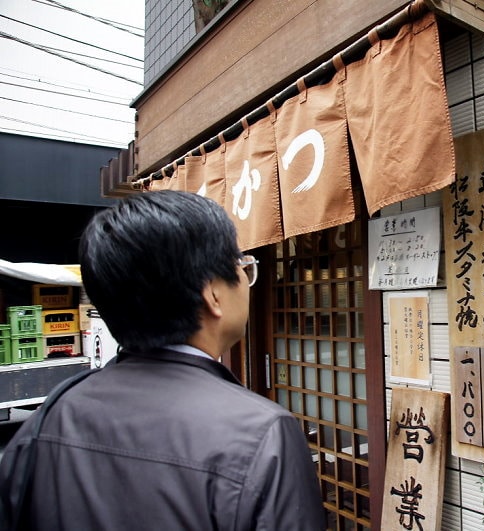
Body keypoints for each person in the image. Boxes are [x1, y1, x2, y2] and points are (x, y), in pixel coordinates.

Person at [0, 190, 327, 530]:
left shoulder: (49, 417)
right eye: (243, 267)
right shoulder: (262, 433)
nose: (247, 281)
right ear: (213, 293)